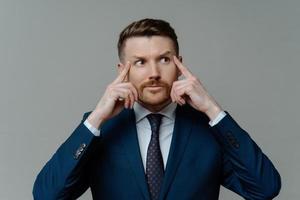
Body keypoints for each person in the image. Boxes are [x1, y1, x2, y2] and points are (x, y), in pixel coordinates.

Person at [33, 18, 281, 200]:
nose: (153, 73)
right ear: (122, 71)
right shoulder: (99, 129)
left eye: (164, 60)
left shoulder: (208, 128)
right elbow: (47, 195)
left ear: (179, 65)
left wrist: (213, 110)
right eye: (140, 62)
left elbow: (265, 188)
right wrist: (96, 118)